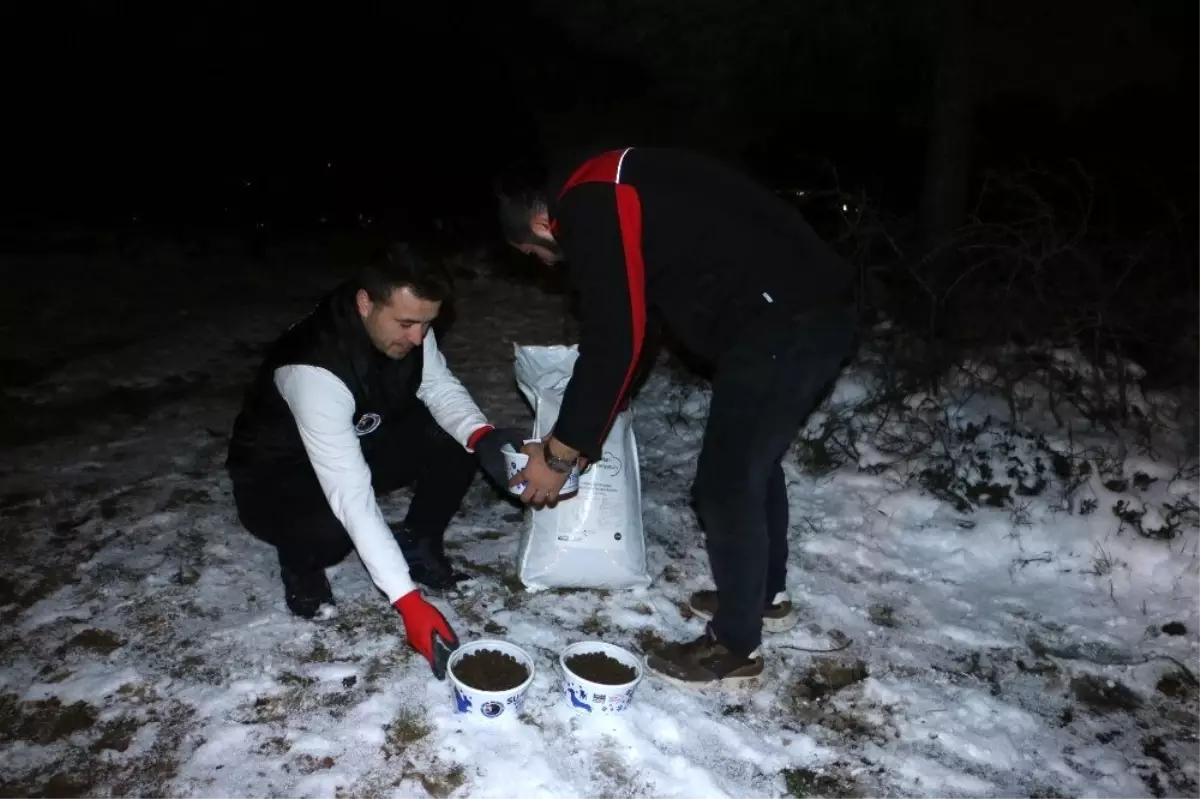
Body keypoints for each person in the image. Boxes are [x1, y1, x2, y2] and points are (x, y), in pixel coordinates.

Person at [495, 147, 857, 685]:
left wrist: (559, 453)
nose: (545, 264)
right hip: (801, 310)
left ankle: (735, 646)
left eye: (533, 252)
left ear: (545, 224)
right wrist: (593, 419)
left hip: (786, 320)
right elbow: (641, 329)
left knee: (725, 483)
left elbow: (615, 339)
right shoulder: (615, 190)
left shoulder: (591, 206)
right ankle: (761, 596)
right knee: (753, 462)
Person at [225, 242, 525, 678]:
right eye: (406, 324)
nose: (418, 337)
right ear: (366, 303)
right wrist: (407, 602)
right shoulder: (313, 370)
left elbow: (438, 388)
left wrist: (483, 438)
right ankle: (299, 564)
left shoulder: (411, 323)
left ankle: (419, 546)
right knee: (330, 533)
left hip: (360, 436)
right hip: (277, 475)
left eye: (427, 324)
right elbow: (351, 493)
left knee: (453, 438)